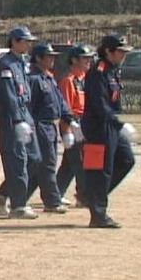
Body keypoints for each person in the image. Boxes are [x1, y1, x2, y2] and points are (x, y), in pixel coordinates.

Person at [81, 34, 136, 228]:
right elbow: (99, 105)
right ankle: (98, 215)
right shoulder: (98, 71)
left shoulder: (112, 71)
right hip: (98, 128)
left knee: (126, 159)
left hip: (110, 125)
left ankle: (93, 196)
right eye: (120, 52)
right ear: (108, 52)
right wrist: (120, 124)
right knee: (100, 170)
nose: (123, 55)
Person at [0, 26, 42, 219]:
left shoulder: (21, 63)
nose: (28, 44)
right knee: (17, 161)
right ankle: (18, 205)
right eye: (25, 41)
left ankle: (3, 193)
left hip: (25, 114)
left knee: (34, 159)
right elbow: (7, 95)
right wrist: (18, 119)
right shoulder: (5, 64)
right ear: (14, 41)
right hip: (12, 118)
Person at [26, 42, 74, 214]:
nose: (53, 59)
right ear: (38, 58)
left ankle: (15, 195)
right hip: (39, 124)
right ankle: (52, 201)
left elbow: (60, 101)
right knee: (47, 163)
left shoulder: (48, 77)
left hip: (50, 125)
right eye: (49, 56)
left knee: (41, 165)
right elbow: (28, 105)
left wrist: (69, 118)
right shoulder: (33, 79)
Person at [56, 43, 96, 208]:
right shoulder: (68, 81)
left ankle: (55, 192)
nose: (88, 61)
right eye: (84, 58)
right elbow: (65, 108)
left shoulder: (85, 80)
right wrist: (67, 132)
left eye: (89, 58)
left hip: (85, 122)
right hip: (73, 123)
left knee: (70, 163)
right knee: (79, 162)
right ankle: (84, 196)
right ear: (74, 60)